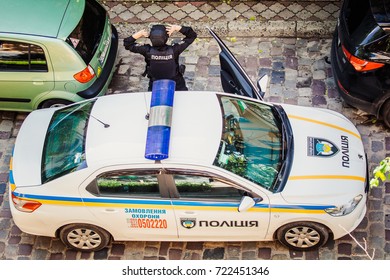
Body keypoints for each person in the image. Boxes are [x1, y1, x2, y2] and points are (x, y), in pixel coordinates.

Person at [123, 24, 197, 91]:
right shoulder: (175, 50)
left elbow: (127, 43)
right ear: (166, 37)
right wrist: (177, 28)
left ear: (150, 38)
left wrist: (140, 33)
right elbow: (192, 36)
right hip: (176, 82)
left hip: (155, 83)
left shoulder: (146, 50)